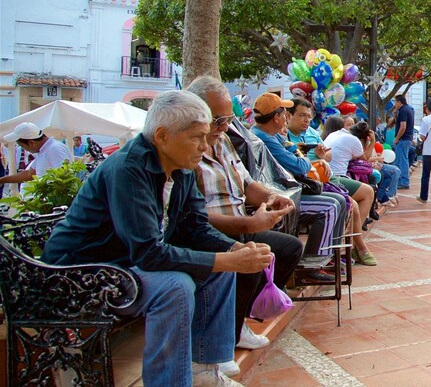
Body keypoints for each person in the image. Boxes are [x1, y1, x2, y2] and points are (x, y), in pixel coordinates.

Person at [42, 90, 269, 387]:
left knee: (222, 270)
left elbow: (196, 229)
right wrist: (227, 258)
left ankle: (204, 372)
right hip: (78, 273)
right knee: (175, 286)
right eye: (196, 137)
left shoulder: (182, 168)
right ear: (162, 135)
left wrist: (235, 249)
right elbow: (148, 253)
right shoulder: (127, 170)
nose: (205, 146)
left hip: (121, 266)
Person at [185, 77, 303, 375]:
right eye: (219, 119)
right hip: (215, 228)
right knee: (250, 255)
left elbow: (247, 182)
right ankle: (218, 342)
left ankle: (237, 324)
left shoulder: (223, 140)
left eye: (228, 119)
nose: (225, 126)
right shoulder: (186, 148)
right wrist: (249, 223)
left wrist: (273, 197)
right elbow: (191, 218)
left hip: (239, 222)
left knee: (286, 249)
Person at [249, 93, 346, 268]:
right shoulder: (263, 138)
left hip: (287, 190)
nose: (286, 118)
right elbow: (299, 165)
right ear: (277, 117)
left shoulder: (272, 136)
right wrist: (307, 159)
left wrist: (300, 156)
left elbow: (295, 152)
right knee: (330, 207)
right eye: (284, 114)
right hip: (280, 195)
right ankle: (313, 264)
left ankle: (329, 257)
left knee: (340, 200)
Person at [0, 122, 73, 186]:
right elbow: (29, 174)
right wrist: (2, 180)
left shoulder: (55, 149)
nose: (24, 149)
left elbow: (64, 177)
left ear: (31, 142)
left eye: (22, 146)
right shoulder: (43, 150)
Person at [391, 95, 415, 189]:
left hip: (403, 139)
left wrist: (397, 138)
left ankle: (404, 181)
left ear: (399, 102)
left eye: (395, 102)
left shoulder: (403, 110)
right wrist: (396, 115)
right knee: (400, 160)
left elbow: (403, 126)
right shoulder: (408, 109)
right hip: (407, 139)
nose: (395, 104)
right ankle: (399, 180)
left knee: (402, 160)